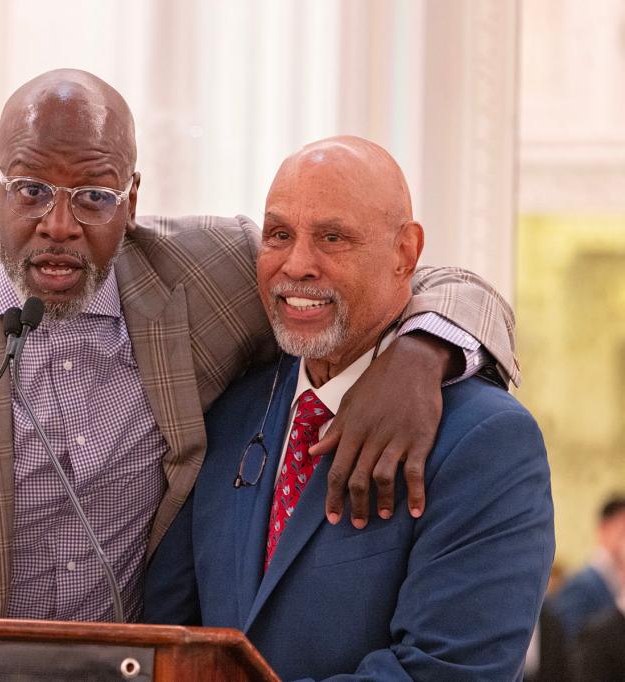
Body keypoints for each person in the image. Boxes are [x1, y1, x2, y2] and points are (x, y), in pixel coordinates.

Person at [0, 71, 517, 622]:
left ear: (134, 200)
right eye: (32, 190)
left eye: (95, 196)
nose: (61, 224)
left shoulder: (209, 279)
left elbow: (437, 280)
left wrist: (420, 359)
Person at [143, 136, 554, 679]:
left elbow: (447, 671)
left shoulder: (487, 442)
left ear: (405, 254)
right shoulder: (231, 410)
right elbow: (169, 639)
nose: (297, 264)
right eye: (279, 235)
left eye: (332, 237)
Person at [548, 494, 625, 641]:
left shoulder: (616, 582)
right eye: (622, 530)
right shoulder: (581, 585)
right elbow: (565, 641)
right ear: (604, 528)